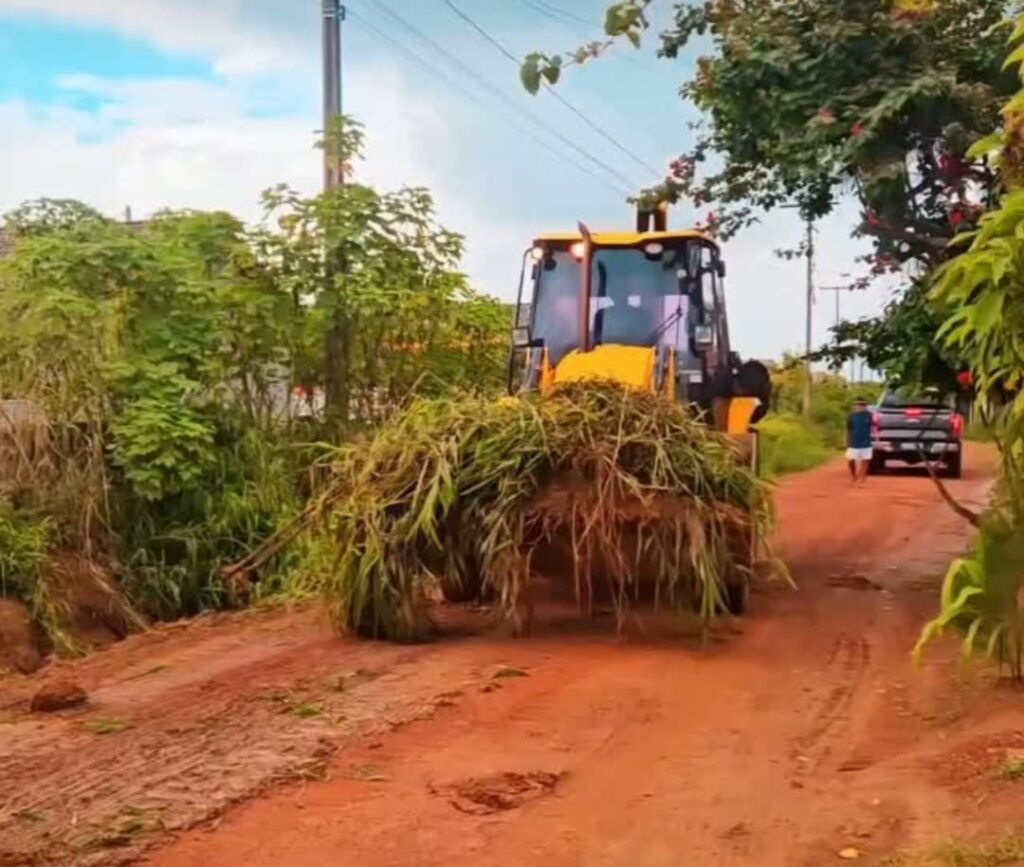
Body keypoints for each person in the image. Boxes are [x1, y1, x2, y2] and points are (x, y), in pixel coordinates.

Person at [846, 398, 874, 484]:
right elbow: (848, 429)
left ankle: (863, 478)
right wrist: (847, 441)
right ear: (854, 406)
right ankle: (854, 476)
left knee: (865, 460)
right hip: (854, 441)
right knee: (850, 460)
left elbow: (872, 426)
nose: (859, 407)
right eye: (857, 405)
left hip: (866, 441)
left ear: (865, 406)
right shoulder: (851, 416)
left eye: (862, 405)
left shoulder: (869, 415)